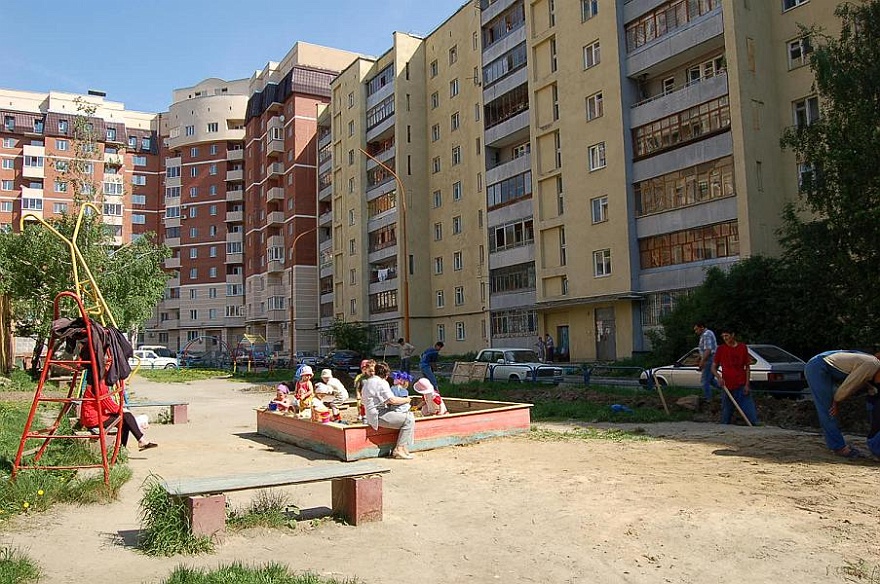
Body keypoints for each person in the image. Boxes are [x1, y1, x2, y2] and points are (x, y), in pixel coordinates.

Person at [804, 350, 880, 458]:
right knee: (828, 409)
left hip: (825, 363)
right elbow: (849, 385)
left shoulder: (871, 363)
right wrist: (836, 400)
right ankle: (839, 447)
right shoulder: (872, 364)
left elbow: (868, 389)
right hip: (818, 367)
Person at [80, 378, 157, 451]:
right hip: (93, 418)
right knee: (126, 417)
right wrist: (121, 410)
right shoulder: (100, 384)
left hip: (93, 416)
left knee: (125, 418)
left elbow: (105, 403)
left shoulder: (97, 382)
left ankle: (129, 446)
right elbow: (108, 403)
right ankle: (127, 447)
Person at [361, 360, 415, 459]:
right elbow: (392, 400)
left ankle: (404, 448)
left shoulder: (368, 381)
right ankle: (399, 449)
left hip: (371, 414)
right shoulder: (382, 382)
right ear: (386, 374)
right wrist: (406, 400)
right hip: (378, 415)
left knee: (409, 416)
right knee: (409, 420)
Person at [711, 328, 759, 425]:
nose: (725, 338)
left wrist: (747, 384)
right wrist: (719, 378)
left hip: (741, 384)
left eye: (727, 336)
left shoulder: (742, 347)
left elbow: (747, 367)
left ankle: (755, 424)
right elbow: (713, 368)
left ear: (732, 335)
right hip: (727, 386)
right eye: (723, 336)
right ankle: (725, 428)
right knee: (726, 413)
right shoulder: (721, 349)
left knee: (750, 412)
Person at [694, 321, 719, 400]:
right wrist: (699, 357)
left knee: (704, 380)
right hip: (712, 358)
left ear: (702, 327)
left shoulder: (706, 335)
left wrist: (702, 361)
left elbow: (708, 350)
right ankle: (726, 391)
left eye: (697, 329)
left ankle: (708, 398)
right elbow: (703, 349)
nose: (696, 331)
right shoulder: (706, 334)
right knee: (710, 380)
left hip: (709, 359)